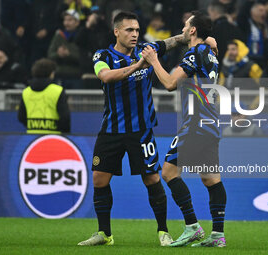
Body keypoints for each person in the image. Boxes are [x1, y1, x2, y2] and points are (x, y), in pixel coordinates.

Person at [77, 11, 218, 247]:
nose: (134, 34)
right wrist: (139, 65)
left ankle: (163, 231)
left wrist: (207, 40)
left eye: (137, 30)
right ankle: (104, 233)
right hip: (110, 128)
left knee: (153, 179)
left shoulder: (147, 49)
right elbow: (106, 76)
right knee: (100, 180)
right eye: (129, 30)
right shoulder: (102, 55)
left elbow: (177, 40)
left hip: (141, 130)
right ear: (116, 32)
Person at [142, 11, 226, 247]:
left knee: (168, 173)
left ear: (192, 30)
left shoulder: (196, 52)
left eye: (185, 25)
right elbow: (208, 43)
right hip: (211, 123)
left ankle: (192, 226)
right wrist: (208, 39)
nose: (182, 28)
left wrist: (153, 60)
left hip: (195, 124)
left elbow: (169, 83)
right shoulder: (210, 51)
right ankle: (218, 235)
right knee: (211, 180)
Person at [17, 58, 70, 134]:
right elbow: (65, 117)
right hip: (53, 137)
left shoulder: (26, 92)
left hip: (32, 137)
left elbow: (21, 117)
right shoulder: (58, 91)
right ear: (51, 73)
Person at [47, 9, 81, 88]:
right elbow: (50, 54)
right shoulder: (58, 36)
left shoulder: (82, 36)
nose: (66, 23)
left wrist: (69, 54)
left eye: (70, 20)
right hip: (59, 75)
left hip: (76, 76)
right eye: (65, 20)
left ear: (77, 22)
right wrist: (58, 54)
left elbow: (84, 58)